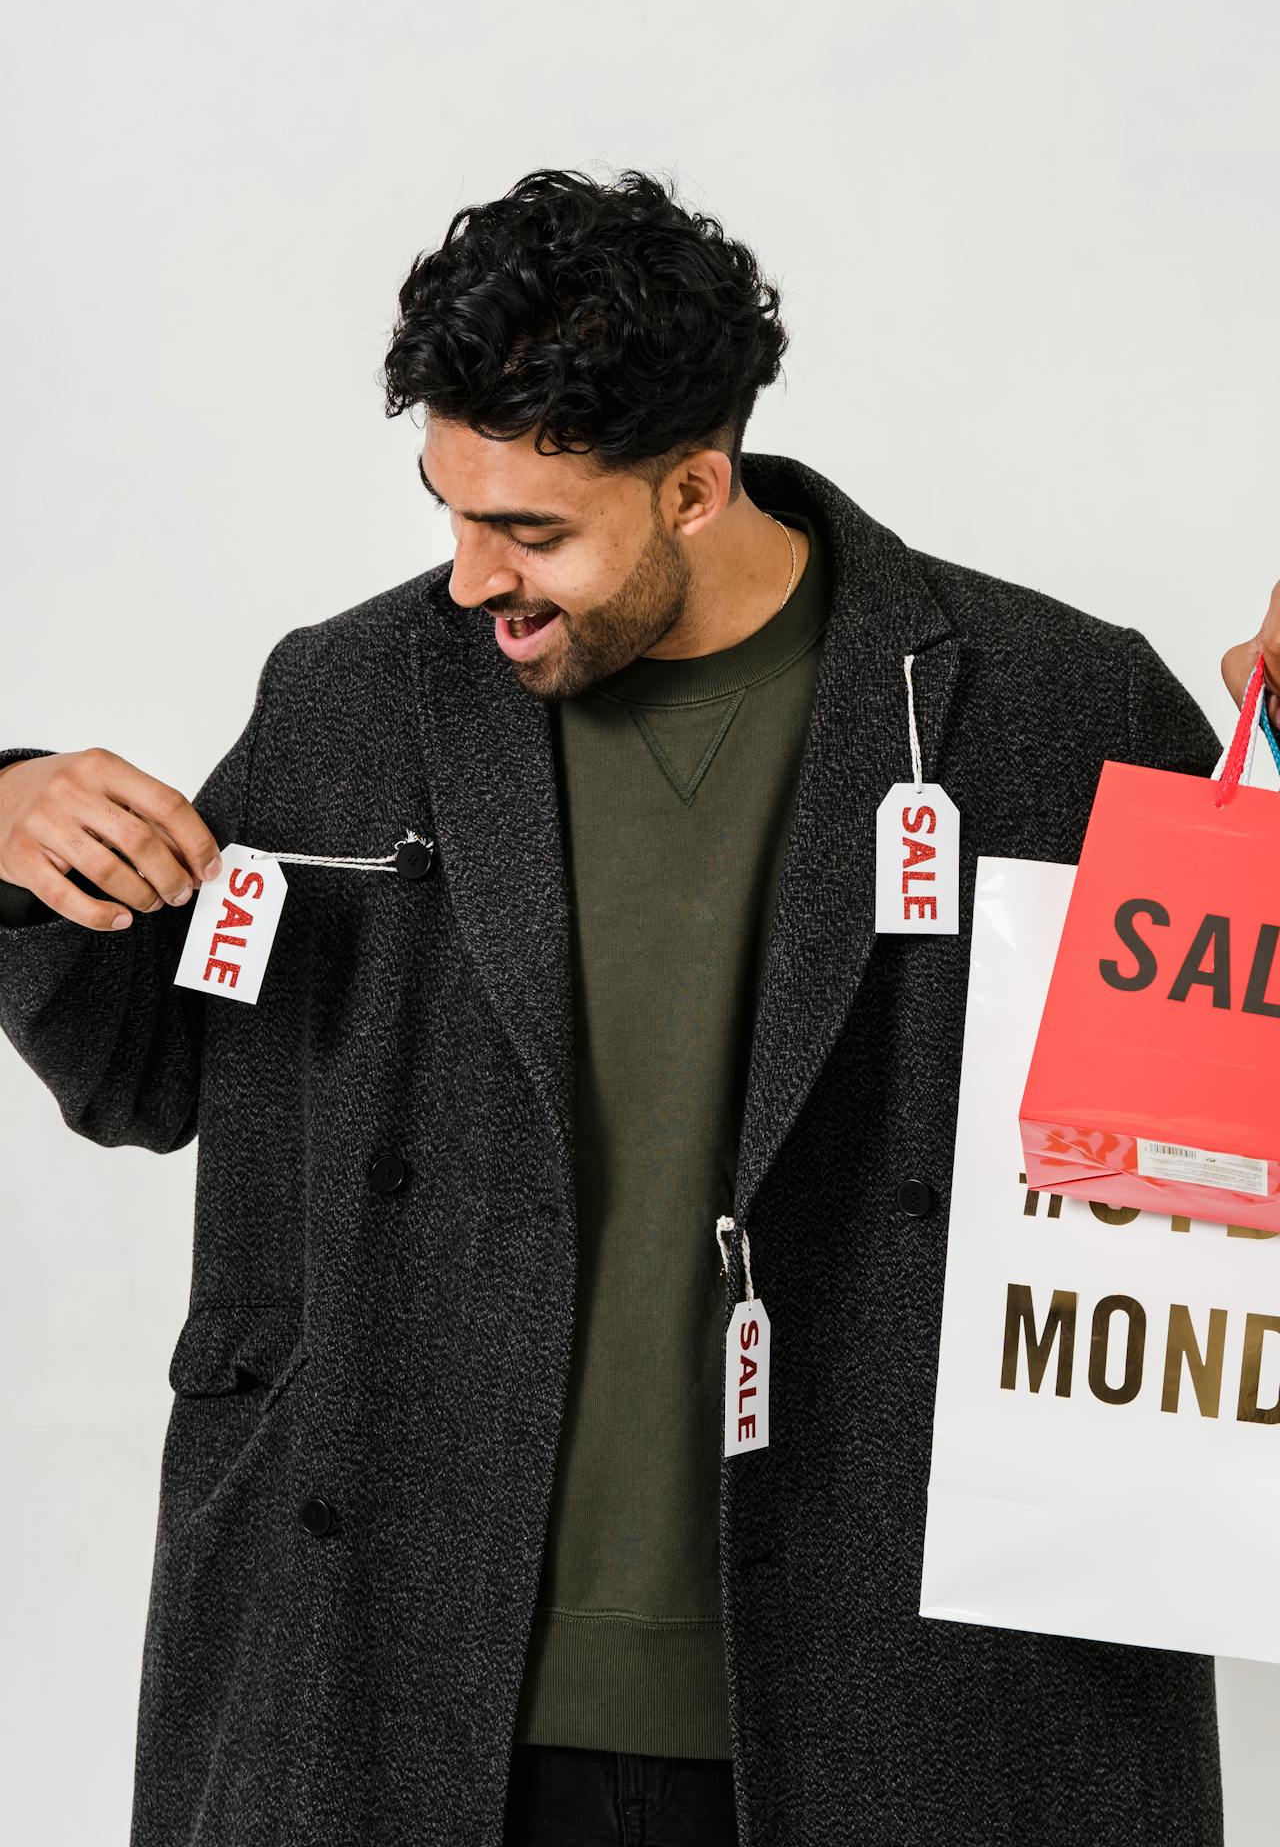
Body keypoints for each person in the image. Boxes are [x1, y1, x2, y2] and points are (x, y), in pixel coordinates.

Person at [0, 166, 1273, 1847]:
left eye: (531, 533)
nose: (471, 580)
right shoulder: (351, 694)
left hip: (906, 1692)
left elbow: (1225, 1130)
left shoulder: (1050, 702)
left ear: (694, 485)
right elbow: (153, 1070)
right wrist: (18, 829)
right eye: (450, 510)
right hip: (401, 1664)